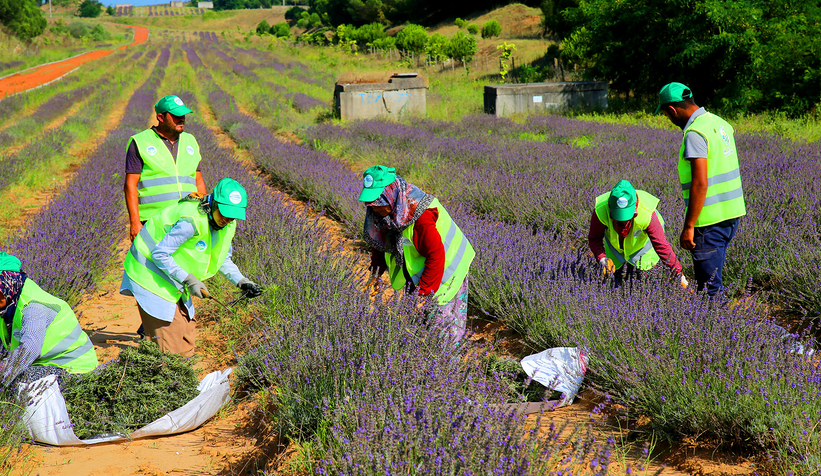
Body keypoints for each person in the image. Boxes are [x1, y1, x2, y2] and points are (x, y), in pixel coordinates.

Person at [120, 178, 261, 357]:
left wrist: (241, 281)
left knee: (187, 337)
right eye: (224, 213)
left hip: (172, 276)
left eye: (232, 216)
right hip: (149, 272)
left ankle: (180, 374)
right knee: (169, 343)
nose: (227, 219)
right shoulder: (191, 220)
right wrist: (189, 279)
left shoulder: (227, 225)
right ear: (213, 203)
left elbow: (222, 258)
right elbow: (160, 254)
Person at [358, 165, 475, 343]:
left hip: (449, 266)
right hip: (420, 268)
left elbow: (436, 256)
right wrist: (375, 275)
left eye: (378, 201)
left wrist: (424, 294)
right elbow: (380, 244)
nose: (374, 207)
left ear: (390, 193)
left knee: (441, 321)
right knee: (417, 321)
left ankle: (449, 357)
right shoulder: (384, 211)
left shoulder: (421, 215)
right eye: (371, 202)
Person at [656, 82, 746, 296]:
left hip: (708, 222)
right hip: (731, 215)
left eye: (666, 115)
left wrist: (689, 226)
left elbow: (700, 182)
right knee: (714, 282)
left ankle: (717, 317)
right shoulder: (720, 123)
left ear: (672, 110)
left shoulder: (695, 133)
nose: (669, 119)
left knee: (709, 289)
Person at [0, 253, 98, 387]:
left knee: (16, 381)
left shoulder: (34, 306)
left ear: (10, 284)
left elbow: (29, 349)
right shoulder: (8, 304)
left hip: (74, 370)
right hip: (45, 364)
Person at [124, 94, 207, 243]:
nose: (182, 118)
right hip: (153, 221)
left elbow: (198, 180)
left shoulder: (190, 141)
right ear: (161, 117)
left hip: (188, 219)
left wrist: (205, 214)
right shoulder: (140, 142)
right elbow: (130, 185)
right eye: (176, 115)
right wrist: (135, 222)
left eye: (183, 115)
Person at [588, 180, 687, 287]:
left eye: (626, 218)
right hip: (615, 250)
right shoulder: (601, 210)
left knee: (647, 284)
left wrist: (679, 274)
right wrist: (602, 258)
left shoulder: (647, 213)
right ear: (610, 208)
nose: (622, 223)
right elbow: (594, 238)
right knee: (615, 284)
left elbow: (661, 245)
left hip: (644, 249)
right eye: (617, 219)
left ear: (634, 208)